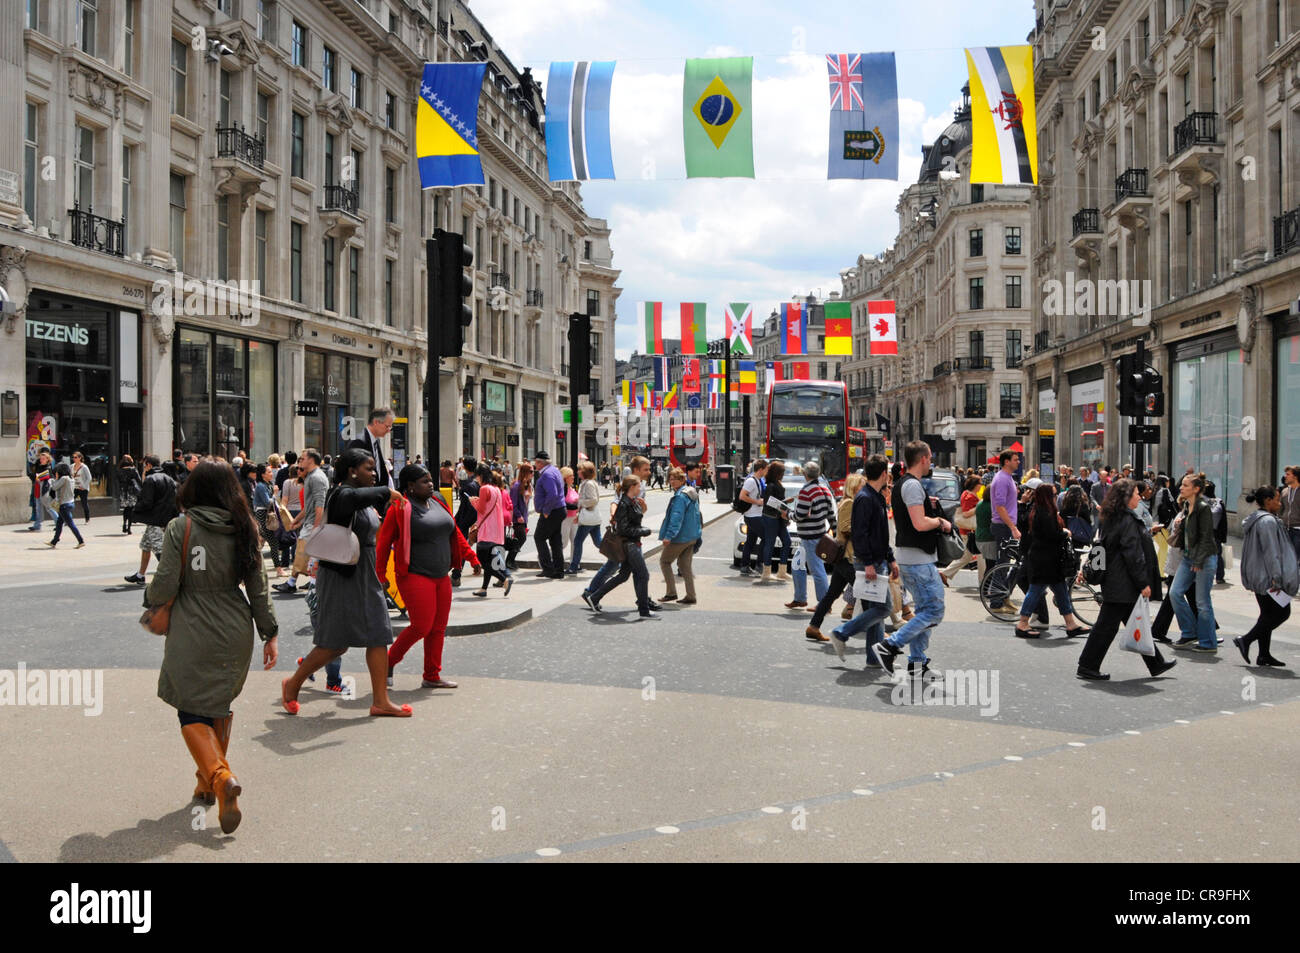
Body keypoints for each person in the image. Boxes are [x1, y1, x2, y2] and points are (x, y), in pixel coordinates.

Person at [146, 460, 278, 833]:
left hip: (193, 625)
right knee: (218, 703)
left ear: (193, 490)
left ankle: (220, 778)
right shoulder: (245, 528)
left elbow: (165, 583)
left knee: (190, 708)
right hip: (236, 627)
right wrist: (269, 632)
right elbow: (259, 588)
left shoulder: (181, 526)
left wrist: (150, 598)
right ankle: (206, 784)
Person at [281, 448, 411, 718]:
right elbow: (352, 498)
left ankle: (380, 701)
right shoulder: (341, 494)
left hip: (364, 572)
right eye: (368, 468)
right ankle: (292, 685)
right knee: (335, 643)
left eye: (375, 468)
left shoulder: (362, 500)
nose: (374, 473)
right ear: (352, 471)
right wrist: (388, 492)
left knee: (378, 634)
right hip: (341, 574)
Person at [377, 464, 475, 690]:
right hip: (414, 575)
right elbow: (383, 544)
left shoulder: (439, 501)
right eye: (424, 481)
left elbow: (455, 533)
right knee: (421, 626)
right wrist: (380, 575)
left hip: (442, 575)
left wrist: (471, 556)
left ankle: (432, 675)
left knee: (438, 628)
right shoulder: (399, 507)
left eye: (430, 480)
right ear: (410, 486)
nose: (431, 484)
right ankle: (388, 662)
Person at [1076, 480, 1177, 680]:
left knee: (1134, 621)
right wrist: (1143, 583)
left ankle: (1156, 663)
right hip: (1122, 582)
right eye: (1136, 494)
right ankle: (1087, 665)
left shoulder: (1114, 517)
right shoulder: (1127, 520)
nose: (1140, 497)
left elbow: (1103, 547)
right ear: (1126, 497)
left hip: (1118, 581)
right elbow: (1133, 555)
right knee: (1106, 627)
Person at [873, 441, 951, 676]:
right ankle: (890, 645)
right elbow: (919, 523)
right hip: (918, 559)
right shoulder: (912, 486)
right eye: (931, 458)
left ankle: (917, 663)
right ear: (924, 458)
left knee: (925, 610)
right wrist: (940, 522)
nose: (932, 462)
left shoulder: (901, 485)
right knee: (935, 611)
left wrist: (930, 507)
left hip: (912, 557)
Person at [828, 455, 897, 668]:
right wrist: (868, 563)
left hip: (877, 560)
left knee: (874, 610)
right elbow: (860, 534)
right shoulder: (865, 498)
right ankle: (841, 632)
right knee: (884, 608)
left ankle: (874, 658)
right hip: (870, 562)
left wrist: (890, 559)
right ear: (884, 474)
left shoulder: (875, 496)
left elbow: (880, 534)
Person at [1013, 485, 1091, 638]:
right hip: (1045, 560)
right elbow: (1051, 534)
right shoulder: (1045, 513)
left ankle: (1070, 624)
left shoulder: (1038, 510)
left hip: (1046, 558)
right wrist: (1065, 532)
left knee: (1060, 591)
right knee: (1035, 590)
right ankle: (1022, 623)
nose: (1057, 497)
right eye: (1054, 495)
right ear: (1048, 496)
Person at [1233, 485, 1295, 667]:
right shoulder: (1267, 521)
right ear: (1268, 501)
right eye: (1277, 499)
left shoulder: (1258, 519)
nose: (1279, 502)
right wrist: (1277, 577)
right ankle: (1246, 640)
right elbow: (1271, 552)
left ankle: (1264, 655)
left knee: (1266, 615)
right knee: (1283, 612)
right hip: (1268, 577)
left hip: (1258, 574)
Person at [583, 457, 653, 606]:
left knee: (623, 568)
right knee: (623, 568)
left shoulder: (641, 486)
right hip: (626, 536)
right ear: (636, 470)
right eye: (645, 469)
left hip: (632, 534)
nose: (649, 472)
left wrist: (643, 509)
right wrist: (614, 516)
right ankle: (592, 593)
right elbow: (616, 502)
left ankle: (642, 600)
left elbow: (639, 510)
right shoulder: (629, 485)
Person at [806, 472, 865, 642]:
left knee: (832, 594)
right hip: (847, 556)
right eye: (861, 485)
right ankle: (873, 630)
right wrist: (865, 530)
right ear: (854, 487)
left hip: (844, 557)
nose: (864, 488)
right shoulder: (849, 503)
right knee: (867, 594)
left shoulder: (852, 503)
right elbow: (846, 528)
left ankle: (813, 626)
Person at [1168, 473, 1218, 652]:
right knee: (1175, 593)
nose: (1181, 488)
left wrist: (1198, 560)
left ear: (1196, 489)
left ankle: (1208, 643)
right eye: (1181, 485)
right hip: (1188, 556)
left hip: (1204, 557)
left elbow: (1206, 536)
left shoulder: (1203, 507)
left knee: (1202, 602)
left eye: (1186, 485)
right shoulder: (1186, 505)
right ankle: (1189, 632)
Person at [275, 449, 328, 594]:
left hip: (314, 524)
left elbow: (320, 505)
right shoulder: (311, 477)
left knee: (304, 554)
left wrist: (317, 528)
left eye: (303, 459)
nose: (300, 461)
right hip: (310, 523)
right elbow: (309, 506)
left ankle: (300, 583)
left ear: (311, 460)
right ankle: (308, 584)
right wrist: (297, 520)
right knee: (307, 555)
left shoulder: (317, 477)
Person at [125, 455, 178, 584]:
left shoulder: (151, 479)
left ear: (148, 465)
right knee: (146, 545)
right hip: (164, 517)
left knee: (158, 548)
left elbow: (147, 501)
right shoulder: (169, 479)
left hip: (156, 519)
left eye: (144, 465)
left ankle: (172, 576)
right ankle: (140, 574)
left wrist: (136, 510)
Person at [789, 462, 834, 609]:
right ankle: (800, 598)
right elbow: (831, 514)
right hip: (818, 534)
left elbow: (800, 515)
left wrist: (787, 514)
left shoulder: (806, 491)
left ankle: (824, 604)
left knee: (817, 569)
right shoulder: (824, 489)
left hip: (809, 536)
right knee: (797, 565)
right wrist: (835, 531)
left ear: (805, 474)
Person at [658, 467, 702, 604]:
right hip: (692, 536)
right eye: (670, 479)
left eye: (675, 479)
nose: (671, 482)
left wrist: (669, 536)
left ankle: (671, 592)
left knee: (665, 561)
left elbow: (676, 518)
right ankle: (691, 595)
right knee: (685, 566)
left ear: (682, 480)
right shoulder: (691, 492)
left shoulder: (680, 497)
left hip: (680, 537)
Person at [470, 463, 514, 598]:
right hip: (496, 530)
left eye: (476, 476)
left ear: (480, 476)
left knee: (482, 561)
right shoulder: (496, 489)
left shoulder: (484, 489)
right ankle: (483, 589)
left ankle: (504, 578)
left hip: (486, 530)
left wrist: (473, 501)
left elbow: (481, 509)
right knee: (489, 560)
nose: (476, 479)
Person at [987, 450, 1021, 614]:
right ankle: (996, 601)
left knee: (1006, 564)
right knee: (1002, 564)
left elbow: (1005, 504)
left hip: (1005, 525)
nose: (1018, 462)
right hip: (1003, 526)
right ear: (1006, 462)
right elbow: (999, 506)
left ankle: (1002, 596)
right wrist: (1013, 527)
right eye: (1015, 459)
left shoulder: (1007, 478)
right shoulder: (1002, 479)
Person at [756, 460, 793, 585]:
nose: (783, 474)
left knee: (787, 541)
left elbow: (776, 501)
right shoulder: (771, 485)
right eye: (782, 472)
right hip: (771, 517)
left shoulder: (775, 483)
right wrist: (786, 502)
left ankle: (781, 571)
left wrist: (785, 504)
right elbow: (770, 502)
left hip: (777, 517)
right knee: (770, 543)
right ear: (777, 473)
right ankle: (766, 572)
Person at [531, 452, 567, 578]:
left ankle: (548, 568)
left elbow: (552, 494)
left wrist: (546, 511)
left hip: (552, 511)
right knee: (555, 540)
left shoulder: (547, 475)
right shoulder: (554, 470)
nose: (534, 464)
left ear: (540, 462)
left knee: (539, 537)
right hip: (558, 510)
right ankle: (558, 570)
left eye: (536, 462)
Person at [940, 475, 982, 582]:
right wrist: (979, 507)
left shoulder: (967, 494)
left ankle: (945, 573)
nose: (981, 485)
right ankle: (983, 581)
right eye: (980, 483)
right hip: (969, 531)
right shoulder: (970, 497)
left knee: (967, 556)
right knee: (977, 556)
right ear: (975, 485)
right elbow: (966, 513)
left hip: (968, 531)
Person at [345, 408, 395, 491]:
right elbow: (354, 477)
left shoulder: (376, 441)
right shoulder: (359, 442)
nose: (389, 430)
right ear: (376, 422)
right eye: (387, 426)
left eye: (390, 427)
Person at [570, 460, 604, 574]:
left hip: (588, 519)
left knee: (578, 541)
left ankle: (574, 567)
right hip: (593, 519)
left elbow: (593, 500)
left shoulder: (588, 484)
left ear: (585, 471)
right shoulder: (588, 482)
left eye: (580, 469)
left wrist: (580, 502)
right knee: (599, 543)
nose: (578, 472)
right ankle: (617, 559)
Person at [737, 459, 769, 576]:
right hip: (752, 515)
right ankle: (759, 565)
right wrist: (757, 502)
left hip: (754, 514)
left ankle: (745, 566)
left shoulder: (758, 480)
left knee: (750, 541)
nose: (767, 471)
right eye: (766, 469)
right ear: (760, 469)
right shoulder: (751, 481)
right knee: (766, 538)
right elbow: (742, 496)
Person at [46, 463, 86, 548]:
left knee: (71, 524)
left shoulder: (64, 478)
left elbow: (54, 487)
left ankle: (81, 540)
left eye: (57, 472)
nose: (56, 473)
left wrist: (53, 480)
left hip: (64, 505)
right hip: (70, 503)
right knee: (59, 523)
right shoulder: (71, 478)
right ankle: (54, 541)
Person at [251, 463, 282, 572]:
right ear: (263, 475)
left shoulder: (268, 484)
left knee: (260, 542)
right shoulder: (260, 486)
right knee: (272, 542)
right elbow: (267, 502)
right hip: (263, 515)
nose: (271, 474)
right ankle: (278, 569)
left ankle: (251, 567)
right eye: (268, 472)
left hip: (267, 515)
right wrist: (275, 494)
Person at [506, 463, 533, 572]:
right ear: (525, 472)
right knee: (521, 538)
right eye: (531, 472)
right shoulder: (516, 486)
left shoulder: (528, 485)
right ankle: (509, 560)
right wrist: (518, 515)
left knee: (518, 539)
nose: (532, 474)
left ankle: (510, 561)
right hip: (518, 518)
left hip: (523, 517)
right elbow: (513, 503)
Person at [28, 448, 55, 531]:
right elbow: (35, 476)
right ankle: (37, 525)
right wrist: (36, 477)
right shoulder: (39, 466)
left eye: (43, 459)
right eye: (40, 458)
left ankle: (58, 522)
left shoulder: (48, 467)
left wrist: (37, 477)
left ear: (47, 459)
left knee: (48, 507)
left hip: (44, 489)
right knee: (38, 507)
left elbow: (43, 477)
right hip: (37, 488)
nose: (41, 460)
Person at [560, 466, 581, 571]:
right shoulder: (562, 489)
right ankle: (548, 557)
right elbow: (563, 503)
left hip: (574, 517)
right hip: (565, 518)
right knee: (564, 542)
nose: (573, 477)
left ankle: (574, 563)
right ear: (565, 478)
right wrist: (576, 505)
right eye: (570, 476)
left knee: (575, 541)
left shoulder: (572, 488)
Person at [117, 455, 142, 535]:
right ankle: (129, 528)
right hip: (132, 491)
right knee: (131, 509)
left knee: (126, 508)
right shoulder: (133, 469)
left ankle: (124, 523)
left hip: (123, 491)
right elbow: (139, 479)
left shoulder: (119, 470)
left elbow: (117, 480)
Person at [1280, 466, 1300, 563]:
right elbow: (1280, 510)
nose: (1285, 476)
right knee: (1285, 559)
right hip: (1285, 530)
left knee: (1295, 559)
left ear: (1295, 477)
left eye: (1288, 474)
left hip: (1298, 531)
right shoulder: (1284, 491)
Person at [70, 451, 93, 523]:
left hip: (82, 488)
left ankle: (87, 519)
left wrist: (84, 486)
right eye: (73, 457)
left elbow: (89, 477)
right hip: (74, 487)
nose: (74, 459)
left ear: (80, 458)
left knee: (84, 503)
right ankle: (68, 519)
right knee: (70, 502)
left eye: (76, 457)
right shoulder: (71, 466)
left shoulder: (84, 467)